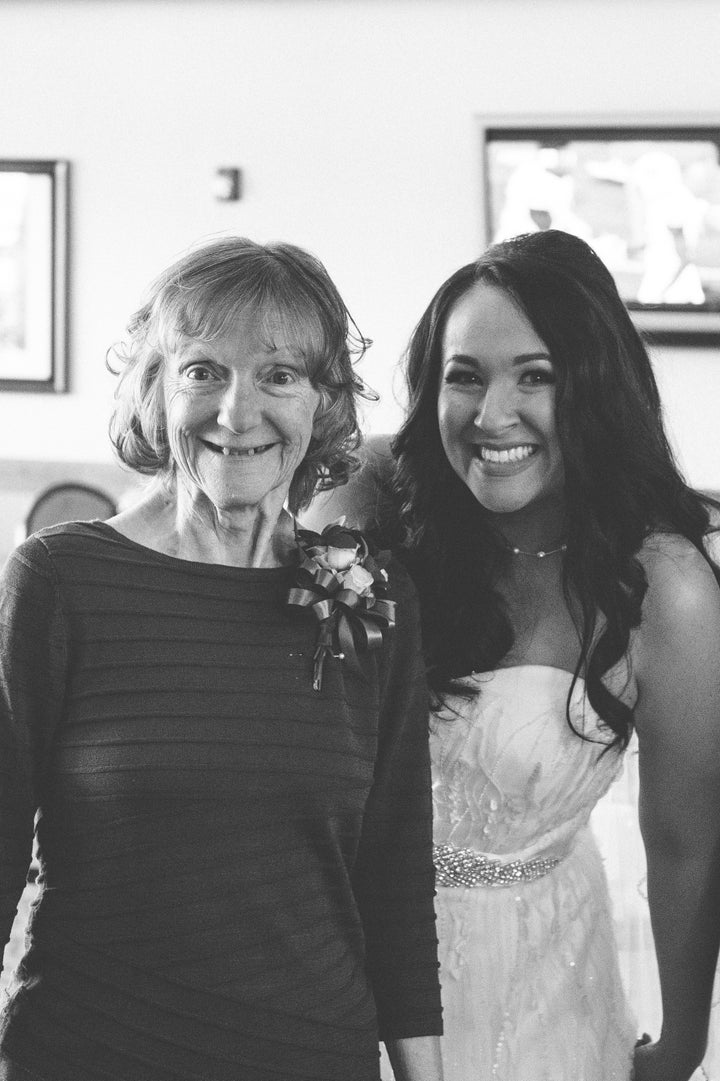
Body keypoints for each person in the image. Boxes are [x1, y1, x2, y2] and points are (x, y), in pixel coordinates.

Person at [0, 236, 444, 1081]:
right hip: (91, 1055)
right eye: (203, 370)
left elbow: (392, 871)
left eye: (279, 374)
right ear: (156, 390)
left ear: (324, 402)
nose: (237, 413)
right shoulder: (60, 580)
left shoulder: (376, 598)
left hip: (311, 1057)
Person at [386, 229, 720, 1081]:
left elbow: (684, 840)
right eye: (465, 375)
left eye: (535, 375)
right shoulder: (384, 530)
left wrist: (682, 1043)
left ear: (595, 387)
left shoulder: (666, 586)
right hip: (353, 971)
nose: (493, 416)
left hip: (541, 987)